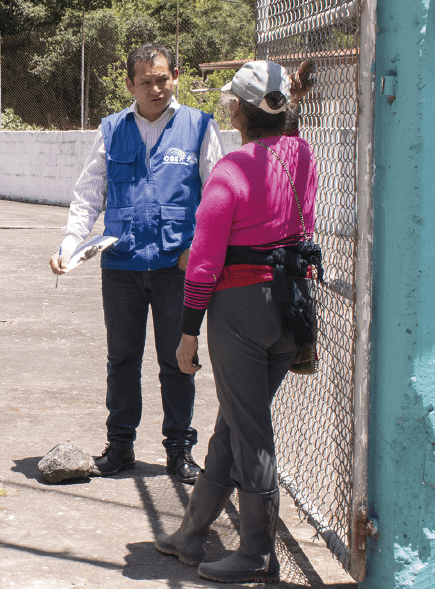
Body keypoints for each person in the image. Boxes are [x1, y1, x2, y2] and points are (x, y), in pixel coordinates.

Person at [154, 59, 317, 583]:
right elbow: (289, 140)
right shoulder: (302, 155)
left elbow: (203, 263)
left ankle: (254, 555)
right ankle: (192, 532)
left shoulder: (230, 171)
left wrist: (186, 333)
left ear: (237, 111)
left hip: (241, 311)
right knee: (234, 423)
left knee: (251, 433)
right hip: (293, 306)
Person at [49, 43, 224, 483]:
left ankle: (179, 449)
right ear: (129, 84)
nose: (155, 88)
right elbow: (88, 197)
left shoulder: (199, 126)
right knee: (122, 359)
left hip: (175, 266)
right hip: (122, 264)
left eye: (162, 79)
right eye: (145, 81)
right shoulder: (111, 129)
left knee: (178, 360)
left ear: (176, 76)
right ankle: (120, 446)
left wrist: (199, 249)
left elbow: (219, 197)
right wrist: (70, 246)